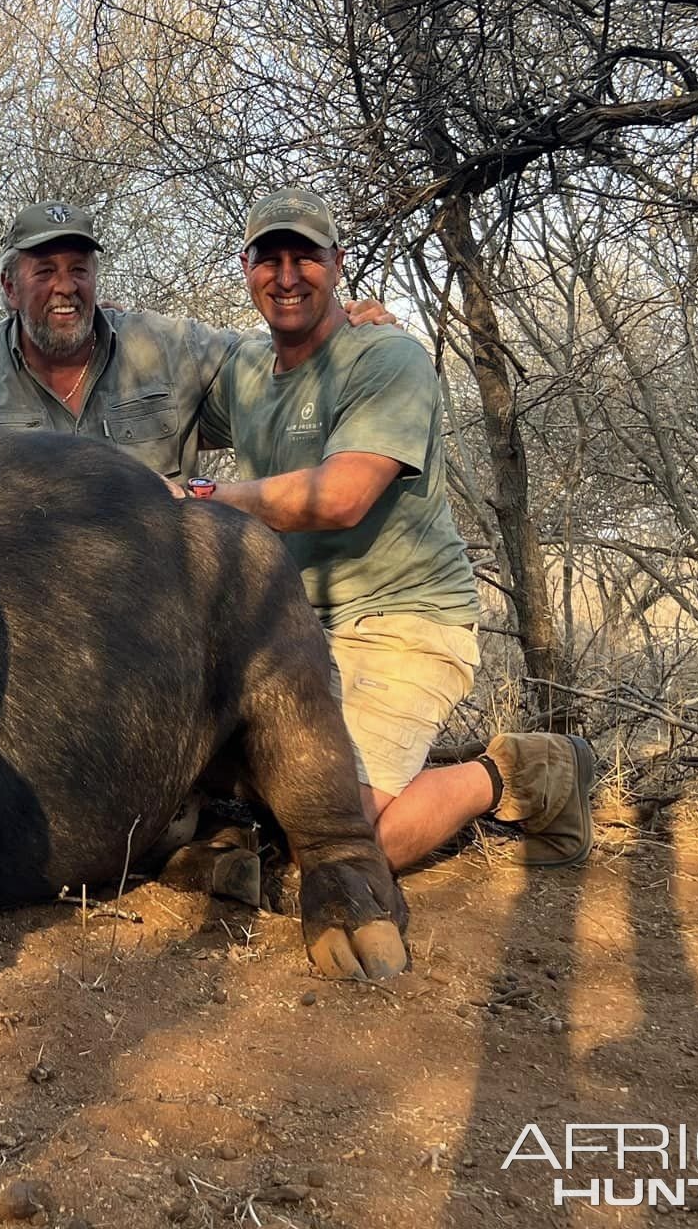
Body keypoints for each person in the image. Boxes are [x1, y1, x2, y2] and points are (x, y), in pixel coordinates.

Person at [191, 185, 594, 870]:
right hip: (293, 628)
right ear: (246, 267)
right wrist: (110, 330)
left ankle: (519, 770)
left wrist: (202, 495)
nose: (287, 277)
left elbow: (343, 496)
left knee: (340, 844)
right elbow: (152, 388)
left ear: (338, 263)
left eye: (306, 258)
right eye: (270, 259)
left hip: (404, 622)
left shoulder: (388, 359)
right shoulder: (245, 370)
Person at [0, 199, 388, 482]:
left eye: (78, 271)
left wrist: (339, 330)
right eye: (45, 272)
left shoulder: (167, 347)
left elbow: (280, 364)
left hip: (158, 604)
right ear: (10, 288)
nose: (65, 287)